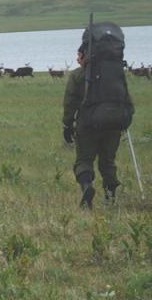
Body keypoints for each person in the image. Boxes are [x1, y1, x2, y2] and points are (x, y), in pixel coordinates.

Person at [62, 44, 131, 209]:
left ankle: (87, 187)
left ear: (86, 56)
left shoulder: (78, 75)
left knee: (84, 160)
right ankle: (110, 197)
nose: (77, 59)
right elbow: (126, 99)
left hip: (87, 126)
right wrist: (125, 121)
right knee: (108, 162)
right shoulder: (115, 74)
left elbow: (70, 103)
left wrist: (67, 124)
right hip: (113, 125)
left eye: (79, 55)